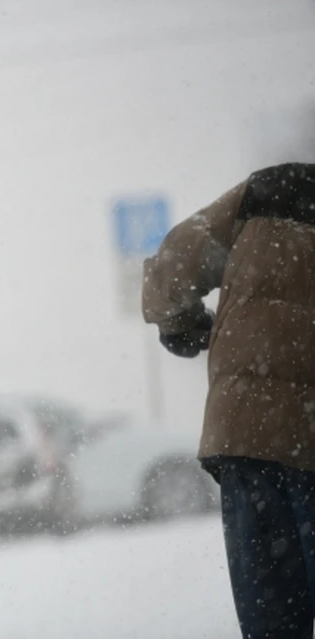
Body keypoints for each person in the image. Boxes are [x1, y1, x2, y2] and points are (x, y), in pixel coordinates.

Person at [142, 162, 315, 638]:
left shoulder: (272, 190)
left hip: (248, 435)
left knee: (272, 618)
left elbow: (177, 260)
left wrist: (179, 323)